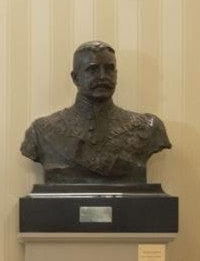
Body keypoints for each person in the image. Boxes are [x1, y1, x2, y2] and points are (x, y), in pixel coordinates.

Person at [20, 41, 171, 184]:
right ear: (75, 77)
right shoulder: (42, 131)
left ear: (116, 74)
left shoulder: (148, 128)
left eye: (109, 69)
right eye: (92, 70)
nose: (102, 77)